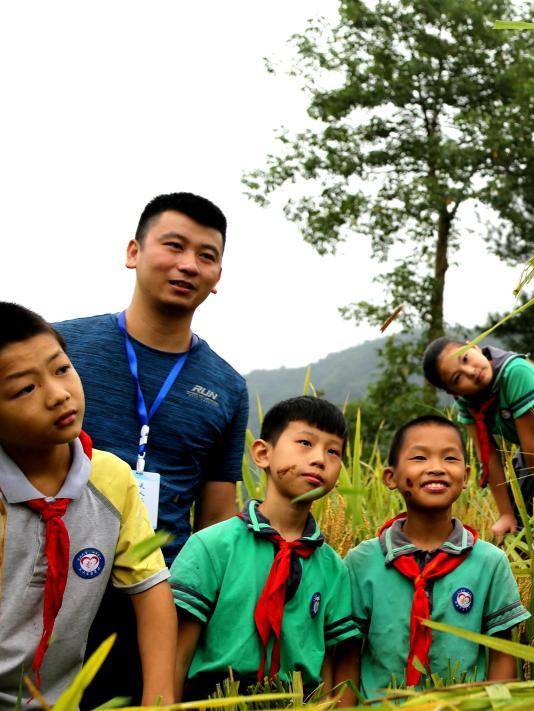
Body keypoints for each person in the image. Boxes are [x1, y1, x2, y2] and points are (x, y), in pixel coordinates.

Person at [54, 192, 249, 704]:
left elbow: (216, 516)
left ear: (218, 276)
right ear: (133, 252)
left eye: (206, 255)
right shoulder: (61, 350)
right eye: (174, 245)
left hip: (159, 599)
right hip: (51, 586)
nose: (189, 264)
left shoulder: (226, 386)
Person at [0, 303, 175, 708]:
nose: (59, 394)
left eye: (61, 369)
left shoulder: (111, 478)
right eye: (25, 388)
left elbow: (151, 592)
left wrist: (160, 700)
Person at [170, 396, 357, 700]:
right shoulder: (212, 546)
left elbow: (329, 665)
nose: (320, 459)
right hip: (215, 701)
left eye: (333, 451)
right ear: (262, 453)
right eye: (305, 443)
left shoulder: (332, 567)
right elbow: (176, 656)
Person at [336, 415, 527, 699]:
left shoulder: (489, 562)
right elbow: (347, 655)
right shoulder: (362, 561)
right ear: (391, 477)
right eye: (420, 458)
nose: (436, 468)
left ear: (466, 476)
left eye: (450, 459)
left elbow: (502, 655)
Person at [422, 338, 534, 538]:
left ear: (473, 346)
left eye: (465, 359)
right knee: (520, 530)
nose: (471, 372)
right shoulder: (466, 403)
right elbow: (488, 456)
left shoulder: (514, 372)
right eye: (457, 378)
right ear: (452, 392)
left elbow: (529, 442)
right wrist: (506, 514)